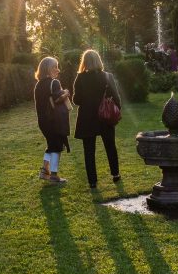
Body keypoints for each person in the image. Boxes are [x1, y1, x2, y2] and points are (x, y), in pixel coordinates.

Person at [72, 48, 122, 189]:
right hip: (105, 117)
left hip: (87, 118)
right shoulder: (107, 76)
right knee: (110, 146)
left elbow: (76, 100)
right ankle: (115, 174)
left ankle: (92, 181)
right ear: (98, 60)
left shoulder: (80, 78)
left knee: (89, 150)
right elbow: (117, 98)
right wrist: (115, 111)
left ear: (85, 62)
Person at [33, 56, 70, 184]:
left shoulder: (38, 85)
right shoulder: (54, 82)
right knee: (57, 147)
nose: (58, 70)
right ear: (48, 69)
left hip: (43, 121)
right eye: (55, 67)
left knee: (51, 145)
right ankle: (54, 176)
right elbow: (57, 99)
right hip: (54, 120)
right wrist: (66, 93)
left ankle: (44, 171)